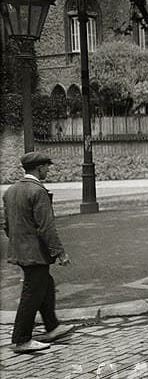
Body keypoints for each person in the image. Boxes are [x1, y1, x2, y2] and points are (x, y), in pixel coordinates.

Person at [1, 151, 74, 353]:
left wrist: (20, 242)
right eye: (46, 167)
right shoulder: (38, 191)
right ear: (39, 168)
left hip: (20, 251)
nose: (48, 170)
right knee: (32, 294)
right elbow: (46, 227)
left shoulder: (10, 191)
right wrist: (60, 253)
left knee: (46, 286)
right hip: (35, 253)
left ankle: (53, 327)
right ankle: (22, 339)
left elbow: (6, 225)